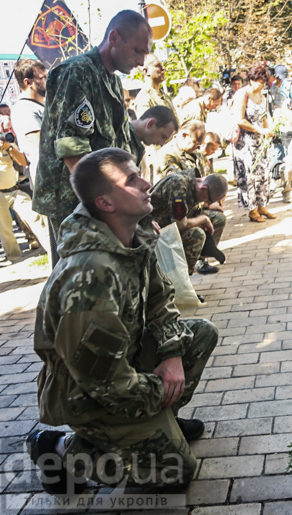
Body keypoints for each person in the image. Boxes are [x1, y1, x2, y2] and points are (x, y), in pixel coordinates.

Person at [27, 148, 218, 494]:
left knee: (200, 334)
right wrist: (161, 392)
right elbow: (102, 383)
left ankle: (159, 427)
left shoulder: (131, 240)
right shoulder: (91, 275)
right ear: (106, 203)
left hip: (122, 369)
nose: (147, 184)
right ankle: (58, 451)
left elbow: (161, 300)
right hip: (88, 397)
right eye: (132, 180)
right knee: (177, 471)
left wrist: (172, 354)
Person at [32, 10, 152, 267]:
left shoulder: (111, 81)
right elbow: (73, 149)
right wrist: (100, 206)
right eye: (138, 51)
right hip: (75, 202)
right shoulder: (77, 72)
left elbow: (119, 145)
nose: (142, 61)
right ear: (114, 37)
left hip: (104, 200)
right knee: (80, 277)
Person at [147, 167, 228, 275]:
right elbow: (179, 224)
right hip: (153, 230)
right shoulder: (178, 184)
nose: (208, 203)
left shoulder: (194, 185)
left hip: (167, 226)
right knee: (197, 235)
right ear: (203, 188)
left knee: (217, 218)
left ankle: (204, 254)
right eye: (209, 200)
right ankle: (182, 283)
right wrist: (202, 219)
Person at [232, 62, 275, 222]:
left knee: (264, 173)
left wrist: (267, 130)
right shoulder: (242, 94)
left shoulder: (261, 96)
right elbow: (239, 119)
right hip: (245, 142)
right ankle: (251, 209)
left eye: (264, 83)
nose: (261, 86)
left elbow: (263, 117)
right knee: (249, 175)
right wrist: (258, 130)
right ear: (251, 79)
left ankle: (262, 205)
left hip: (260, 141)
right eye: (259, 82)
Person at [0, 137, 47, 259]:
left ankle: (52, 249)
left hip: (15, 190)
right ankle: (14, 259)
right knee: (5, 230)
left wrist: (8, 147)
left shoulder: (7, 143)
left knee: (35, 218)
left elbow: (23, 162)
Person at [11, 59, 47, 187]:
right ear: (28, 82)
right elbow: (41, 146)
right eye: (43, 77)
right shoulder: (24, 109)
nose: (47, 81)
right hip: (48, 182)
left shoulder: (41, 106)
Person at [129, 105, 179, 183]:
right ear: (150, 124)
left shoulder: (136, 145)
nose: (162, 143)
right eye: (163, 136)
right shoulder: (120, 137)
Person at [134, 54, 178, 124]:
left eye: (162, 65)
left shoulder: (165, 96)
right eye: (157, 65)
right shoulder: (143, 98)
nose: (163, 68)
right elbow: (147, 128)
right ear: (146, 71)